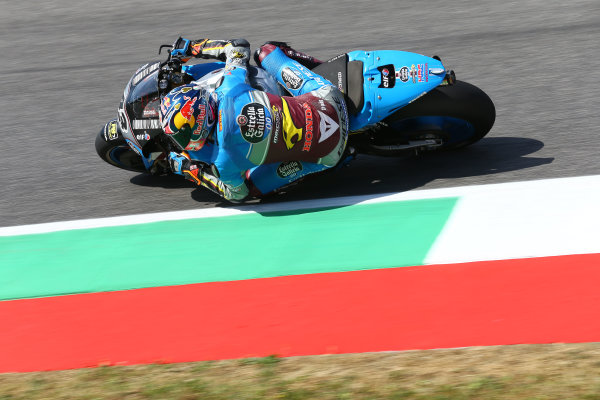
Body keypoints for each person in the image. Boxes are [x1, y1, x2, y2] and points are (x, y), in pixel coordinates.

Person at [160, 37, 349, 202]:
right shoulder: (229, 87)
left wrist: (192, 171)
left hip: (330, 153)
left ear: (198, 126)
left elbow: (237, 194)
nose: (181, 142)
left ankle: (328, 164)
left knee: (251, 187)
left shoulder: (222, 162)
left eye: (182, 135)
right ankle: (323, 69)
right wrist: (194, 47)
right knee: (266, 52)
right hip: (331, 99)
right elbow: (238, 46)